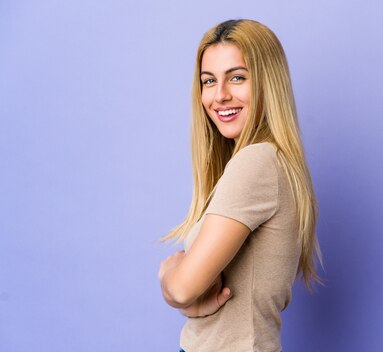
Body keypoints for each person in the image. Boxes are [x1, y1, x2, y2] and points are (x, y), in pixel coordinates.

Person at [158, 19, 322, 352]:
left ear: (267, 82)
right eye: (208, 81)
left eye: (237, 77)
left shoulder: (258, 163)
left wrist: (168, 276)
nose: (219, 95)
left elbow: (184, 288)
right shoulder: (263, 161)